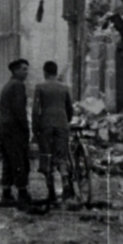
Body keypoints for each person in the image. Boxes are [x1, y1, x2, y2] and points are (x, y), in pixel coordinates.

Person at [31, 60, 73, 203]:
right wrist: (67, 120)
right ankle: (65, 180)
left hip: (46, 125)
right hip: (62, 124)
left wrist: (35, 128)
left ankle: (51, 192)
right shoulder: (64, 87)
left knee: (47, 156)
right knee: (62, 155)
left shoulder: (40, 87)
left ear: (45, 72)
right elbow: (69, 108)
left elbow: (36, 110)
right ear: (55, 72)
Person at [0, 58, 31, 208]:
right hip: (14, 129)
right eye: (24, 69)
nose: (26, 72)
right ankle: (22, 194)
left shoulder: (7, 85)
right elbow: (19, 111)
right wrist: (26, 129)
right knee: (19, 161)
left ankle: (6, 193)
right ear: (16, 70)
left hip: (4, 128)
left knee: (8, 161)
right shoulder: (18, 86)